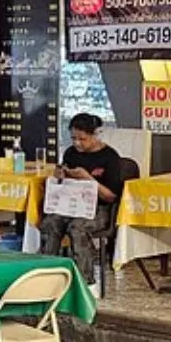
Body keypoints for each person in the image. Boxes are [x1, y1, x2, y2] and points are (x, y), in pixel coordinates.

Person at [37, 113, 124, 285]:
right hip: (70, 205)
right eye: (73, 138)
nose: (77, 143)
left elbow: (111, 196)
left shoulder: (110, 157)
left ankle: (84, 281)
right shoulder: (71, 153)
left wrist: (88, 179)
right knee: (50, 223)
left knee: (77, 228)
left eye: (82, 139)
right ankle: (47, 274)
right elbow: (62, 184)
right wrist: (60, 176)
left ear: (94, 135)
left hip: (99, 209)